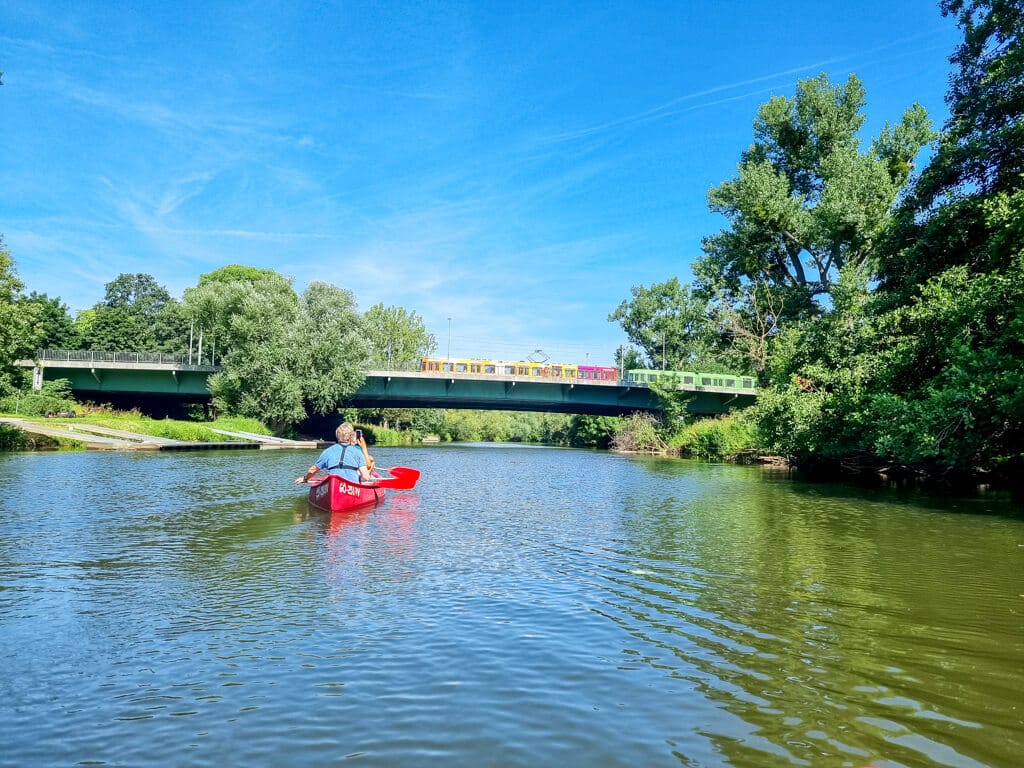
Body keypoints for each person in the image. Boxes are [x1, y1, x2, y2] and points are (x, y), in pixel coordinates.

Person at [295, 422, 375, 485]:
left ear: (337, 436)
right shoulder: (357, 452)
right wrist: (362, 478)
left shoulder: (327, 451)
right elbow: (366, 477)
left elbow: (313, 470)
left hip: (333, 484)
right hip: (352, 485)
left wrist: (305, 478)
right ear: (351, 436)